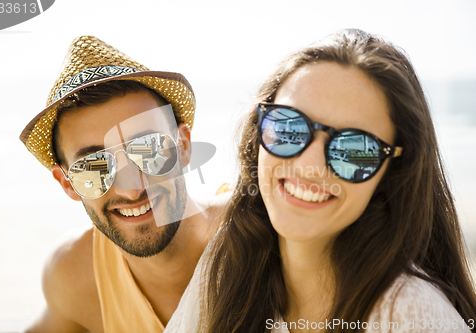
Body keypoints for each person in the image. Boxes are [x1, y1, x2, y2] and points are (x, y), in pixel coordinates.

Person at [164, 29, 476, 332]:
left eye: (354, 148)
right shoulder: (228, 265)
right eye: (289, 128)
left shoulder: (411, 315)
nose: (310, 164)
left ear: (390, 174)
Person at [19, 35, 220, 333]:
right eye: (94, 166)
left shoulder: (259, 238)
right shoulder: (76, 275)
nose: (131, 189)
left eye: (149, 149)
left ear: (184, 147)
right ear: (67, 183)